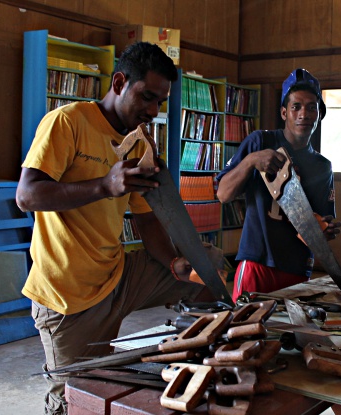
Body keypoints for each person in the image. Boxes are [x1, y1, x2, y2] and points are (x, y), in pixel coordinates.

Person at [16, 42, 217, 415]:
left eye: (160, 102)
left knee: (208, 266)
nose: (153, 111)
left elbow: (145, 219)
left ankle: (192, 361)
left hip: (118, 274)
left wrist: (174, 262)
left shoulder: (138, 145)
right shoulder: (68, 122)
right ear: (120, 82)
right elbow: (27, 196)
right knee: (76, 399)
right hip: (67, 296)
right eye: (146, 97)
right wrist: (104, 186)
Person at [216, 68, 341, 302]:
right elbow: (223, 194)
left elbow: (319, 226)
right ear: (284, 112)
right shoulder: (260, 141)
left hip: (298, 268)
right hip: (258, 263)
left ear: (319, 115)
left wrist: (326, 228)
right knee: (245, 330)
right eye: (296, 107)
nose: (303, 114)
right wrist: (252, 161)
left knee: (291, 337)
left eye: (311, 107)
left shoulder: (323, 166)